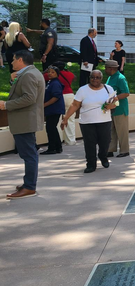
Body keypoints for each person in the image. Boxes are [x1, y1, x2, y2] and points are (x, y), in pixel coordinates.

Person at [0, 50, 45, 198]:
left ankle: (29, 187)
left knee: (29, 155)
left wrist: (6, 105)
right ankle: (28, 183)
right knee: (30, 154)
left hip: (25, 121)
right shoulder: (30, 73)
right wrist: (13, 81)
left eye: (13, 60)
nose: (11, 62)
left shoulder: (29, 75)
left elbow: (29, 98)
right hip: (26, 120)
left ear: (20, 60)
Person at [62, 70, 116, 173]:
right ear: (89, 78)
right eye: (92, 77)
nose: (95, 79)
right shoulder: (83, 90)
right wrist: (66, 118)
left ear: (101, 79)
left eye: (97, 77)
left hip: (104, 121)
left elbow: (115, 102)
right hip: (87, 122)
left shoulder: (108, 89)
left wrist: (112, 105)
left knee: (105, 142)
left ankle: (102, 156)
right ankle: (91, 164)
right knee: (89, 144)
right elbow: (75, 105)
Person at [45, 61, 76, 145]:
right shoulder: (70, 74)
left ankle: (59, 139)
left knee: (57, 121)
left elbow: (43, 76)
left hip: (61, 96)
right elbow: (74, 78)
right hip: (70, 95)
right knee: (70, 118)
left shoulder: (53, 75)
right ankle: (71, 140)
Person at [104, 60, 130, 158]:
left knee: (121, 130)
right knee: (111, 130)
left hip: (120, 109)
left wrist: (116, 98)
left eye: (106, 68)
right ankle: (110, 149)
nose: (105, 70)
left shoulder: (120, 78)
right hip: (111, 108)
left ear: (112, 68)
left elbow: (126, 93)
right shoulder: (110, 78)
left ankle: (124, 150)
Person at [41, 66, 65, 155]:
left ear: (57, 74)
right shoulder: (50, 82)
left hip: (54, 109)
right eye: (49, 72)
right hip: (51, 109)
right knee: (52, 128)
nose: (50, 73)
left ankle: (52, 148)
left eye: (52, 72)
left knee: (50, 128)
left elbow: (56, 97)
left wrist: (44, 105)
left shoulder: (55, 84)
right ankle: (58, 147)